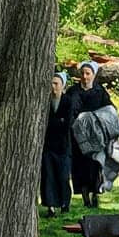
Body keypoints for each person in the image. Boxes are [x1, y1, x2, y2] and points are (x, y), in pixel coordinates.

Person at [68, 61, 116, 208]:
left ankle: (95, 194)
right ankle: (85, 198)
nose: (84, 76)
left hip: (95, 135)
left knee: (95, 166)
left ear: (93, 75)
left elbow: (110, 109)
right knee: (80, 166)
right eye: (82, 73)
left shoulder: (99, 92)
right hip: (78, 136)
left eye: (88, 74)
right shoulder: (73, 91)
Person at [42, 72, 75, 216]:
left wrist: (54, 123)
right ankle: (50, 206)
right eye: (51, 83)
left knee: (63, 176)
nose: (53, 87)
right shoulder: (45, 102)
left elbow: (67, 123)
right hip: (48, 145)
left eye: (56, 83)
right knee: (48, 176)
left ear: (62, 86)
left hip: (63, 146)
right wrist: (57, 122)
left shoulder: (68, 101)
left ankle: (64, 203)